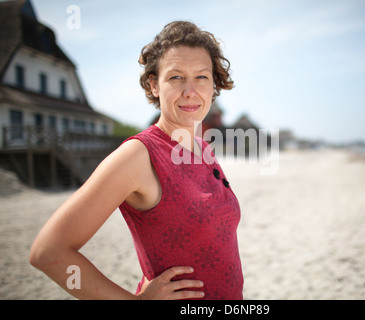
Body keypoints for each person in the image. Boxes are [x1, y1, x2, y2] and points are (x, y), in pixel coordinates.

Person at [29, 21, 244, 300]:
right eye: (176, 77)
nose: (190, 91)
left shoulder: (203, 148)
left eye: (201, 77)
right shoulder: (138, 155)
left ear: (213, 83)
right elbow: (48, 252)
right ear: (155, 84)